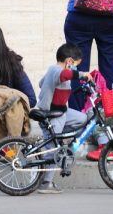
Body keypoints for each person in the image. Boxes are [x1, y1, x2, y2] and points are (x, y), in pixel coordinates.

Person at [35, 43, 89, 194]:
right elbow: (64, 75)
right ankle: (47, 183)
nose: (75, 69)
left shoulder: (53, 70)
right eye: (76, 66)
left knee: (83, 118)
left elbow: (41, 83)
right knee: (53, 150)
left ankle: (56, 138)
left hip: (62, 112)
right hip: (52, 114)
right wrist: (82, 74)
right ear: (69, 62)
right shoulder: (59, 70)